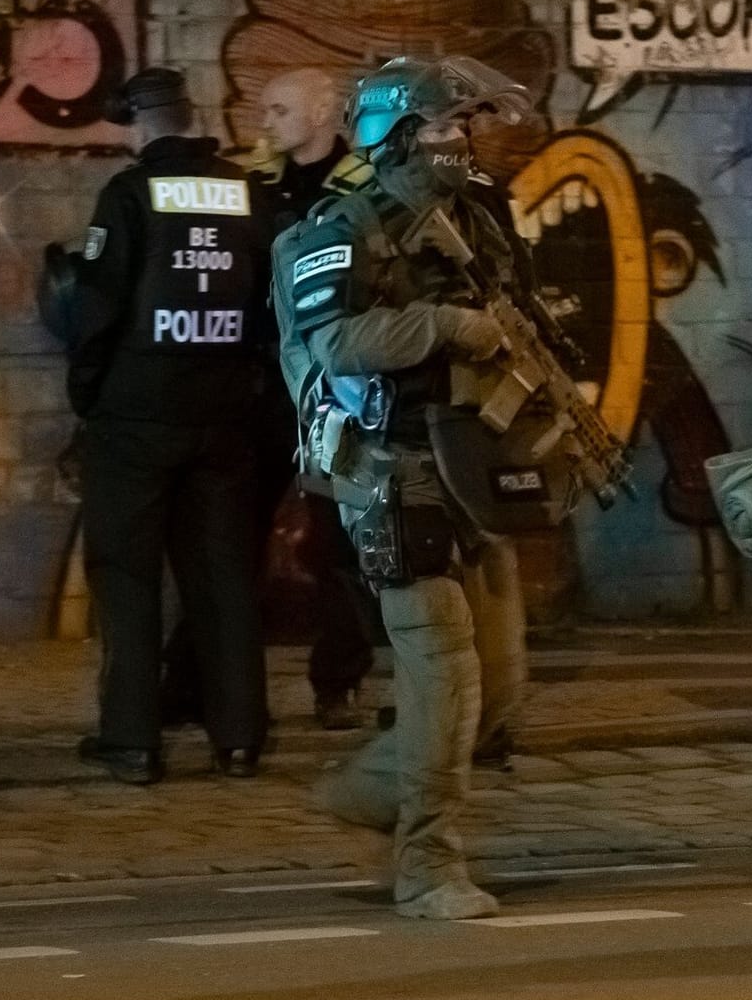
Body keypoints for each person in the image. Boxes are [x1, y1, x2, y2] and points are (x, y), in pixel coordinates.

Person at [279, 55, 534, 920]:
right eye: (442, 126)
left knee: (496, 688)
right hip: (390, 469)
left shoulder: (475, 220)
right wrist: (446, 326)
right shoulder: (340, 226)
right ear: (395, 135)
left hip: (472, 465)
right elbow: (335, 342)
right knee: (446, 672)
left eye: (465, 124)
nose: (460, 140)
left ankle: (365, 791)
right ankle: (428, 865)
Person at [159, 67, 380, 732]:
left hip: (333, 392)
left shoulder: (366, 187)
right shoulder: (248, 184)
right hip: (258, 389)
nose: (267, 122)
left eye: (281, 110)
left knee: (340, 546)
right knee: (227, 541)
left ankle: (338, 684)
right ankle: (193, 682)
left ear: (322, 113)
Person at [67, 67, 272, 784]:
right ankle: (239, 739)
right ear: (189, 115)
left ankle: (132, 740)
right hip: (224, 415)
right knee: (223, 577)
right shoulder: (246, 192)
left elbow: (97, 309)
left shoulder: (128, 195)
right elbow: (271, 301)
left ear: (138, 124)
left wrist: (88, 396)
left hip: (135, 416)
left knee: (126, 575)